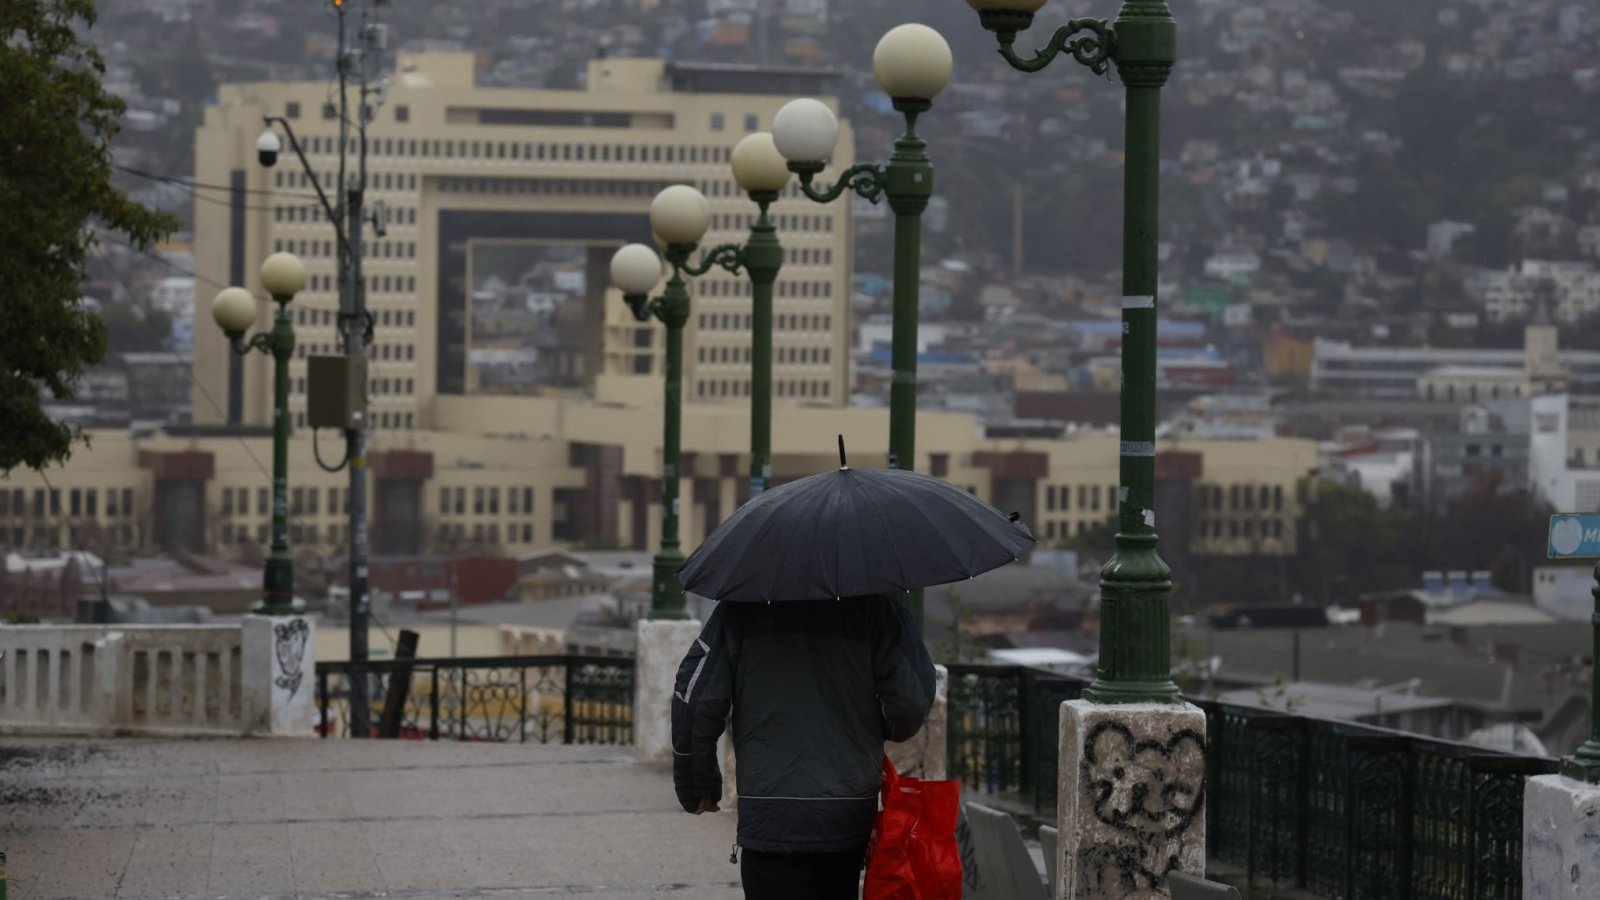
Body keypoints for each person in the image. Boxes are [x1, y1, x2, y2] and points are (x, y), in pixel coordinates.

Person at [672, 594, 937, 900]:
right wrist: (872, 730)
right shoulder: (875, 605)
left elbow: (697, 698)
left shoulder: (742, 606)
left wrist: (698, 780)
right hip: (845, 808)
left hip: (770, 807)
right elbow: (910, 702)